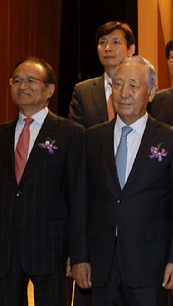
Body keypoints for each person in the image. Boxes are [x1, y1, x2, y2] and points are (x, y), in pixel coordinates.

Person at [70, 56, 173, 305]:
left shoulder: (171, 140)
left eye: (133, 85)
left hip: (151, 264)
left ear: (152, 92)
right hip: (101, 264)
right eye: (118, 84)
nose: (124, 93)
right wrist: (79, 256)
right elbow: (80, 201)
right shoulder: (91, 138)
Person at [0, 57, 83, 305]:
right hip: (5, 251)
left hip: (52, 250)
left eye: (30, 80)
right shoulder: (1, 134)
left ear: (50, 89)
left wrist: (76, 252)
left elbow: (78, 196)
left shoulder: (70, 133)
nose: (22, 86)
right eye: (17, 80)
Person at [69, 21, 136, 128]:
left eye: (115, 42)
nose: (107, 48)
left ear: (130, 50)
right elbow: (75, 135)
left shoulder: (143, 88)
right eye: (103, 42)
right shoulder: (83, 91)